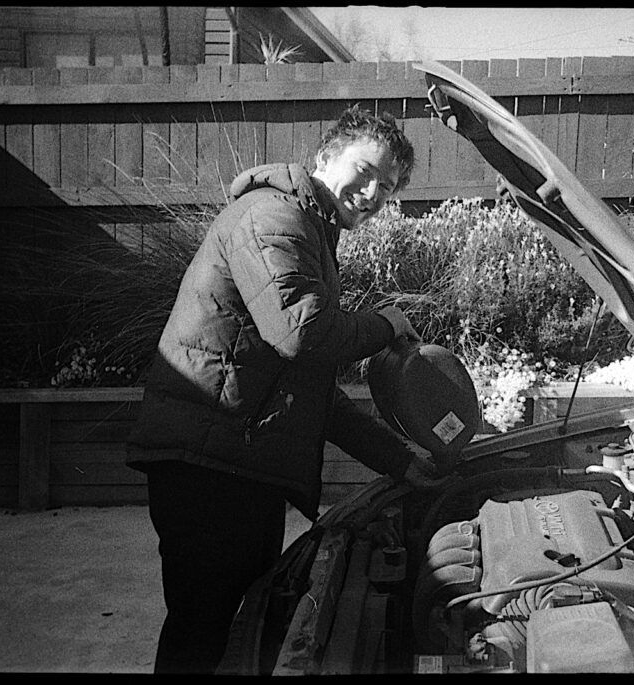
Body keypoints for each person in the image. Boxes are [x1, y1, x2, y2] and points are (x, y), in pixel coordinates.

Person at [126, 105, 442, 674]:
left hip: (237, 466)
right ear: (326, 157)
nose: (372, 193)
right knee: (202, 637)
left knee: (235, 638)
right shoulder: (274, 217)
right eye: (365, 171)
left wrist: (400, 462)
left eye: (387, 188)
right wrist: (386, 324)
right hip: (210, 471)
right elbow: (305, 334)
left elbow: (310, 389)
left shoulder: (308, 229)